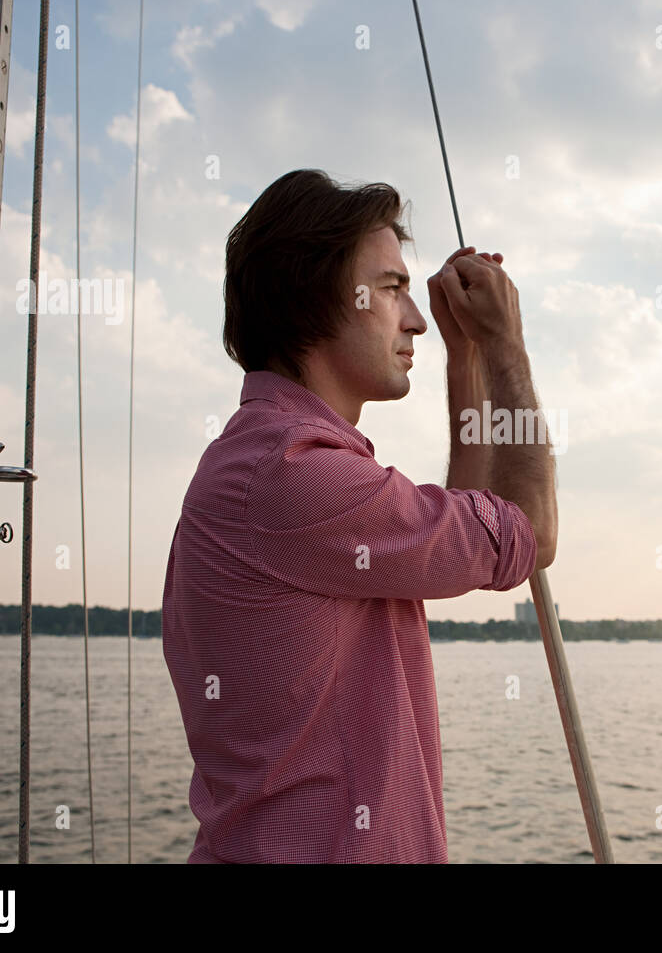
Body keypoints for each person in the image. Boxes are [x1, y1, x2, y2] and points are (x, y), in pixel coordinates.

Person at [161, 169, 557, 862]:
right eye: (394, 288)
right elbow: (528, 530)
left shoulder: (270, 463)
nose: (416, 319)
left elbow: (470, 523)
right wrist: (505, 346)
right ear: (318, 297)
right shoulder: (296, 476)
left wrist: (465, 354)